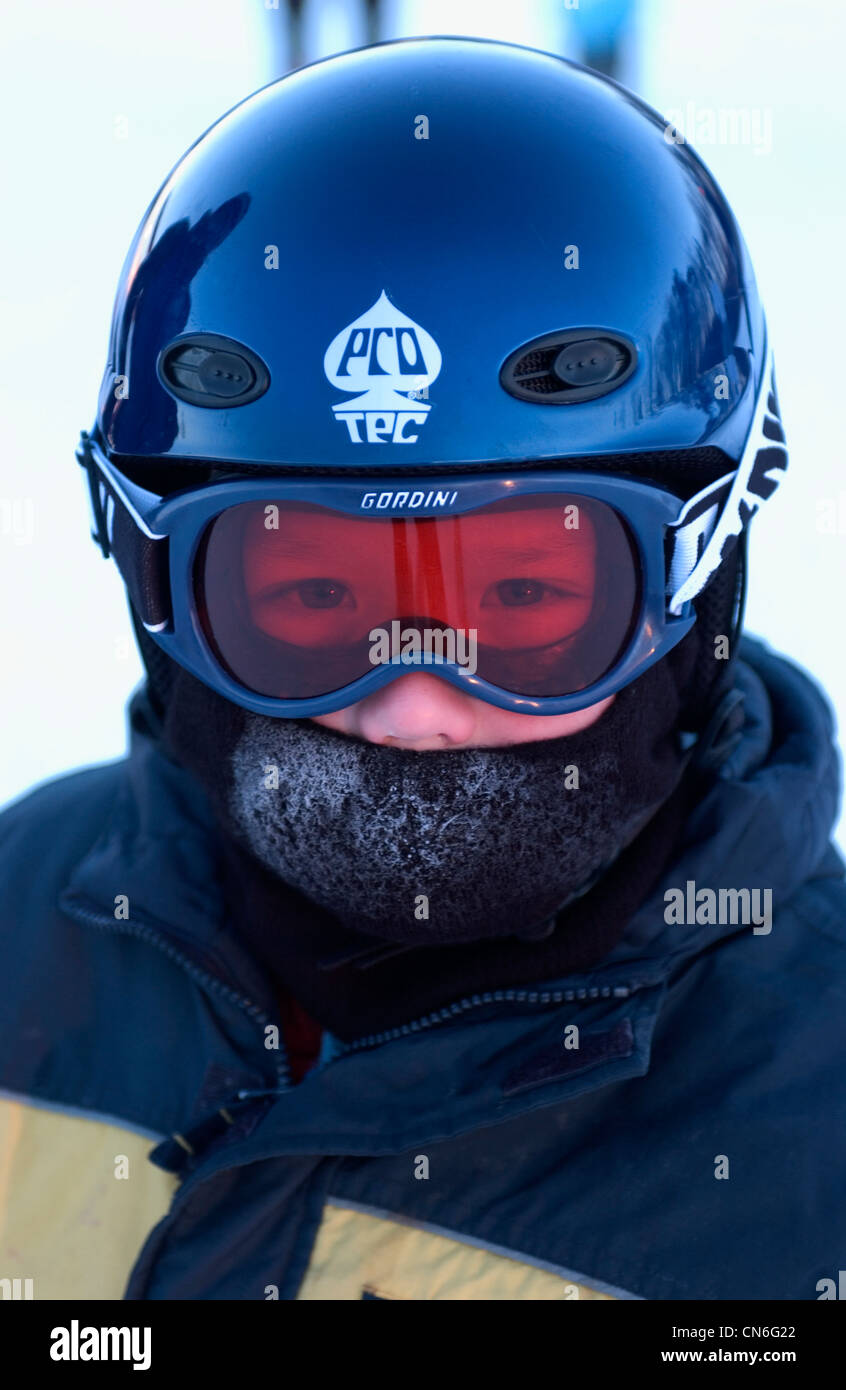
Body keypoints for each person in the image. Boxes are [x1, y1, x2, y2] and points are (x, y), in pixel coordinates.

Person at [1, 35, 843, 1303]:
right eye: (308, 597)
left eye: (523, 601)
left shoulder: (815, 1137)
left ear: (697, 574)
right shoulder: (22, 925)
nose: (413, 705)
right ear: (155, 586)